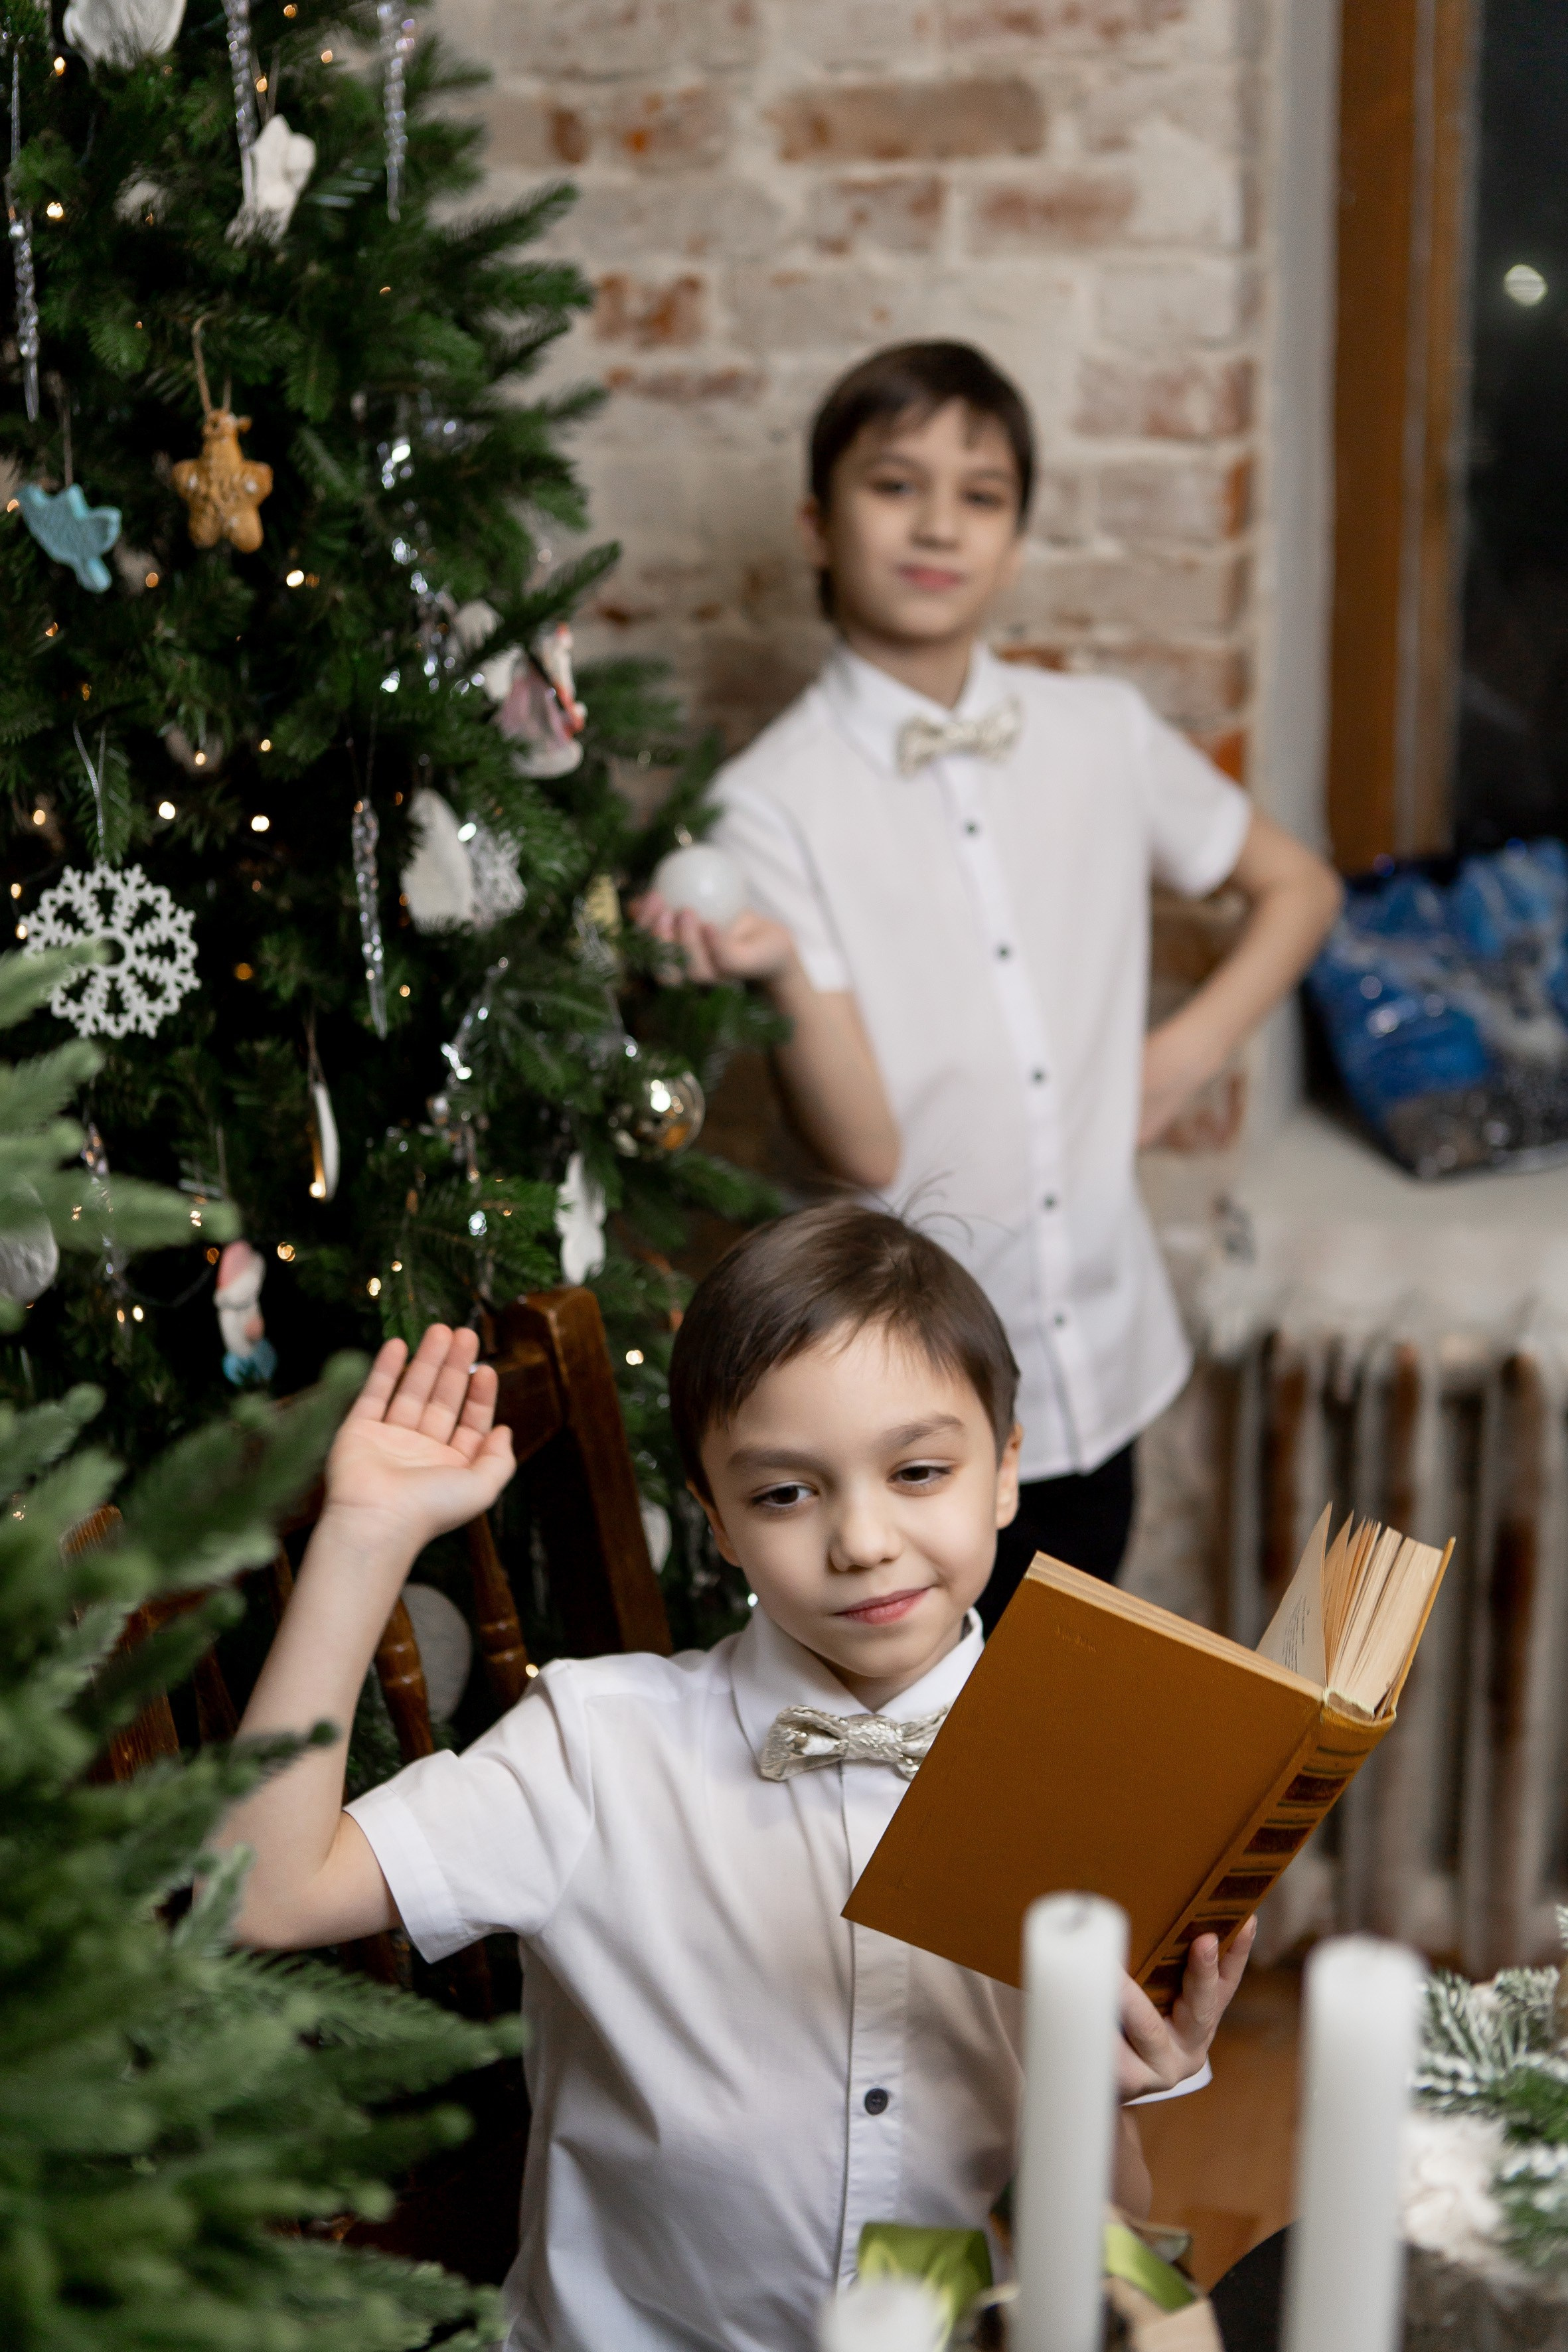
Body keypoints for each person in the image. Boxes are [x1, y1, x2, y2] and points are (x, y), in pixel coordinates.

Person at [218, 1205, 1256, 2352]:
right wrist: (366, 1536)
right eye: (783, 1494)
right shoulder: (596, 1747)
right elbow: (263, 1892)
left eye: (918, 1471)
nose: (861, 1540)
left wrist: (1104, 2089)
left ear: (1004, 1472)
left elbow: (1114, 2224)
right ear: (714, 1522)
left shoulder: (1090, 1778)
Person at [635, 341, 1344, 1628]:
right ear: (817, 521)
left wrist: (1175, 1058)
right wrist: (781, 964)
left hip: (1098, 1363)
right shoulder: (764, 807)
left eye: (978, 494)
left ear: (1015, 540)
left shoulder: (1099, 735)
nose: (935, 524)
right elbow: (861, 1144)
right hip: (892, 1419)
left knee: (1045, 1725)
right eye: (893, 484)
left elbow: (1299, 887)